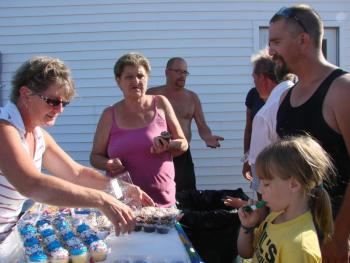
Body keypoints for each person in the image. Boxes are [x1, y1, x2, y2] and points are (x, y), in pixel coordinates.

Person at [0, 56, 154, 260]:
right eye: (53, 101)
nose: (60, 109)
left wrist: (122, 189)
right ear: (26, 94)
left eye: (64, 103)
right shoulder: (4, 129)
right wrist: (101, 200)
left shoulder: (37, 135)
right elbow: (31, 184)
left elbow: (76, 173)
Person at [269, 4, 350, 261]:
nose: (270, 51)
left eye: (276, 42)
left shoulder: (341, 90)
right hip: (295, 237)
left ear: (303, 39)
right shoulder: (286, 98)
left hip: (331, 237)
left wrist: (338, 236)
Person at [90, 52, 188, 208]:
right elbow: (95, 157)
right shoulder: (109, 114)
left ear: (147, 78)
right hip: (123, 202)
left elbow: (183, 143)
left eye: (140, 76)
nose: (136, 81)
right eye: (129, 77)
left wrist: (168, 146)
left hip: (161, 201)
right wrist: (108, 163)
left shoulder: (160, 103)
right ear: (118, 80)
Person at [237, 135, 334, 262]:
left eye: (266, 184)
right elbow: (246, 253)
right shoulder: (275, 216)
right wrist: (247, 227)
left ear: (294, 184)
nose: (260, 190)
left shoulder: (298, 247)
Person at [147, 57, 224, 193]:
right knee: (157, 196)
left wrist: (208, 137)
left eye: (185, 72)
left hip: (182, 155)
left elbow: (202, 125)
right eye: (178, 71)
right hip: (156, 154)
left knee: (187, 197)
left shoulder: (192, 97)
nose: (182, 76)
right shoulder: (152, 95)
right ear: (167, 72)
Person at [244, 48, 295, 199]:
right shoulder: (301, 97)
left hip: (279, 194)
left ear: (264, 79)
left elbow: (259, 168)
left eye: (254, 77)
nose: (254, 83)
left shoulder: (265, 114)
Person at [242, 87, 265, 182]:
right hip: (257, 158)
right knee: (261, 193)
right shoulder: (254, 93)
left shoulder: (287, 91)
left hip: (281, 160)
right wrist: (246, 160)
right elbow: (249, 129)